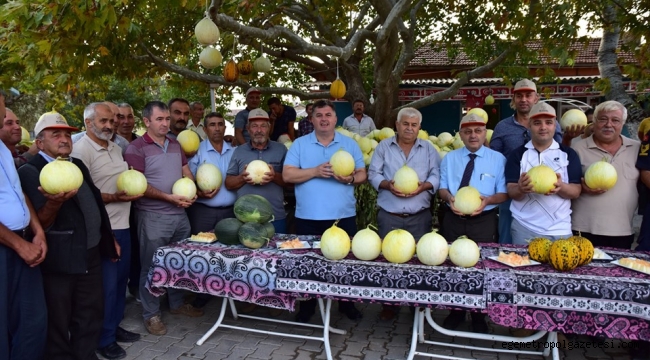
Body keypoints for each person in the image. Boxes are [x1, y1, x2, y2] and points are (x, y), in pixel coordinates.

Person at [18, 110, 120, 360]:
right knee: (58, 317)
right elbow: (38, 222)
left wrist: (109, 240)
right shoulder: (31, 171)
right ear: (39, 142)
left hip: (90, 253)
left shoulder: (77, 164)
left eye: (67, 134)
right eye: (56, 134)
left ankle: (85, 355)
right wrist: (54, 203)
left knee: (90, 312)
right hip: (60, 259)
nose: (64, 139)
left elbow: (95, 204)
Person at [283, 99, 366, 323]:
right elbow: (288, 175)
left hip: (342, 215)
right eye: (319, 115)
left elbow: (362, 175)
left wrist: (349, 178)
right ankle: (307, 308)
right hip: (308, 216)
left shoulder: (349, 144)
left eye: (328, 115)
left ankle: (346, 305)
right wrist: (315, 171)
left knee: (345, 264)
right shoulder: (300, 144)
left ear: (336, 118)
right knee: (308, 264)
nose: (324, 119)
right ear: (311, 119)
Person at [124, 101, 202, 336]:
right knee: (151, 266)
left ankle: (177, 304)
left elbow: (185, 171)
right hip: (153, 216)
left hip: (180, 215)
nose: (165, 123)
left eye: (167, 119)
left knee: (179, 263)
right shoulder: (136, 148)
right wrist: (168, 198)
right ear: (146, 121)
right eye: (160, 119)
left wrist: (193, 188)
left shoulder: (175, 144)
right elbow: (137, 185)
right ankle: (152, 315)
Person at [70, 103, 143, 359]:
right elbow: (83, 193)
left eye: (112, 121)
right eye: (104, 121)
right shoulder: (80, 150)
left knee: (120, 282)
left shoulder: (115, 147)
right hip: (104, 229)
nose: (110, 125)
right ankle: (103, 340)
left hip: (123, 224)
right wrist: (115, 196)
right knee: (107, 287)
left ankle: (113, 327)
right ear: (89, 123)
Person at [367, 107, 440, 321]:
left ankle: (416, 306)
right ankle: (390, 305)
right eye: (405, 124)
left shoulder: (428, 149)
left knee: (420, 260)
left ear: (419, 127)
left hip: (420, 215)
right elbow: (373, 174)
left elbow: (436, 173)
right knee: (389, 261)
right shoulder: (383, 147)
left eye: (414, 124)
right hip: (390, 214)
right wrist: (387, 185)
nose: (409, 128)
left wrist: (424, 186)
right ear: (397, 125)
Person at [438, 113, 508, 333]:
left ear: (484, 132)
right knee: (454, 265)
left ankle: (479, 315)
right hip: (453, 219)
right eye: (467, 131)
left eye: (478, 130)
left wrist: (488, 200)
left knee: (481, 268)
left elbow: (503, 193)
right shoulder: (450, 158)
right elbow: (441, 188)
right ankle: (456, 311)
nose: (473, 135)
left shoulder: (498, 159)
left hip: (484, 221)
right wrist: (449, 198)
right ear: (461, 134)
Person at [0, 92, 48, 360]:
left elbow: (20, 194)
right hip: (8, 248)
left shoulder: (4, 150)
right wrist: (19, 244)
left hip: (24, 245)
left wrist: (38, 232)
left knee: (32, 321)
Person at [490, 79, 563, 244]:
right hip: (512, 191)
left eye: (528, 95)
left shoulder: (552, 125)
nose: (524, 99)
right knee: (508, 241)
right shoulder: (502, 127)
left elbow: (560, 151)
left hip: (545, 191)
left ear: (536, 98)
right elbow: (494, 158)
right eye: (519, 96)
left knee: (542, 242)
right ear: (513, 99)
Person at [505, 102, 582, 245]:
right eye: (537, 123)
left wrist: (561, 187)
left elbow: (576, 190)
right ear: (529, 125)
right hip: (524, 227)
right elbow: (511, 191)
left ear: (555, 125)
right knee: (523, 267)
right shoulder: (517, 155)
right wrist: (520, 189)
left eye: (548, 122)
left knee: (559, 266)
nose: (543, 127)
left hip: (560, 229)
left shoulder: (568, 154)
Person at [570, 101, 640, 249]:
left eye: (615, 120)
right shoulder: (577, 148)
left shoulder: (636, 149)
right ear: (594, 122)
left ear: (623, 124)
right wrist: (581, 187)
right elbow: (566, 186)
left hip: (623, 230)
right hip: (583, 230)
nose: (609, 124)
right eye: (603, 119)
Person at [187, 112, 237, 309]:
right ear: (205, 129)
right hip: (204, 211)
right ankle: (201, 294)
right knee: (202, 254)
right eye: (212, 125)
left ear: (225, 128)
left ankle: (227, 291)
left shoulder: (233, 151)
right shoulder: (197, 151)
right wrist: (199, 193)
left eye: (220, 124)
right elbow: (188, 179)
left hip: (230, 211)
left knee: (228, 254)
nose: (217, 128)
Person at [226, 109, 288, 233]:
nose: (259, 130)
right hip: (245, 219)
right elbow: (228, 183)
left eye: (263, 126)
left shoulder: (281, 149)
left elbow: (290, 183)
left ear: (269, 128)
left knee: (278, 252)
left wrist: (274, 176)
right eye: (254, 126)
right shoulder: (239, 151)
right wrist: (241, 178)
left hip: (275, 217)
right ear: (248, 129)